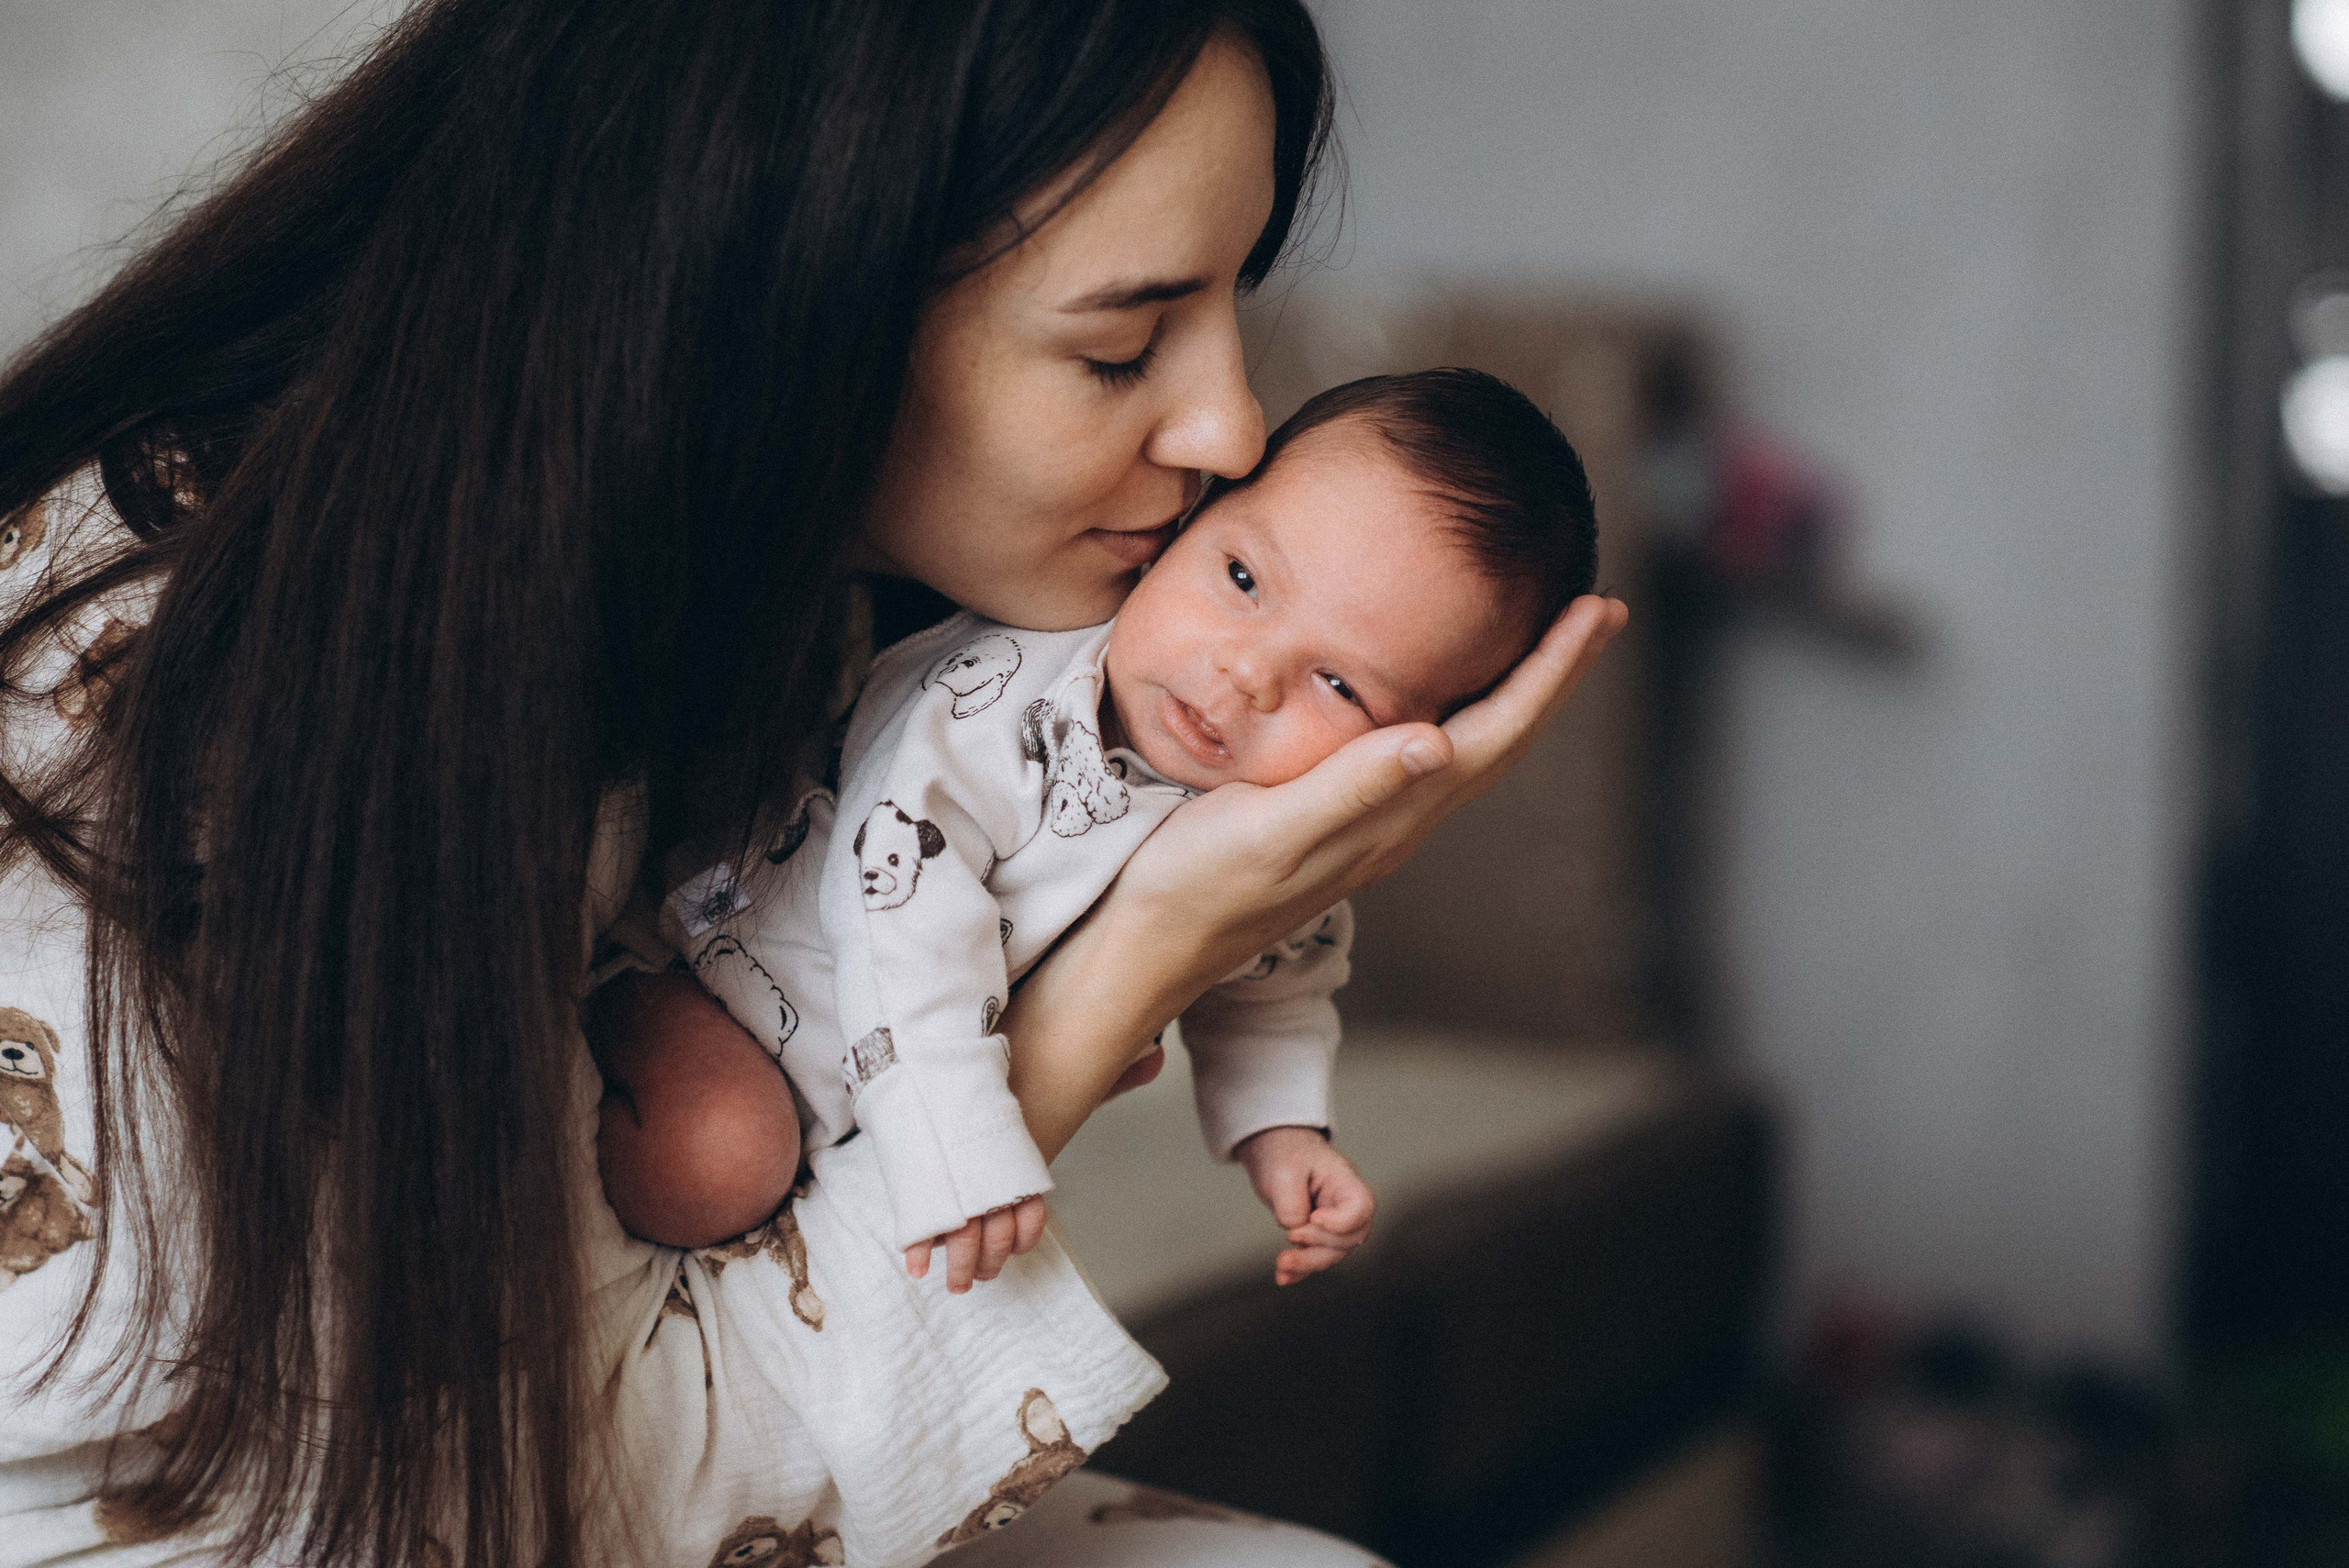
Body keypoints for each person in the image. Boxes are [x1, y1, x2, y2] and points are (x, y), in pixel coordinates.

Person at [0, 1, 1627, 1564]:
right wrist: (1135, 959)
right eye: (1124, 344)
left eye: (1230, 313)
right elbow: (526, 1505)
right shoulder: (214, 721)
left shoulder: (749, 597)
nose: (1232, 426)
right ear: (790, 289)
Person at [600, 369, 1599, 1320]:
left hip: (861, 1092)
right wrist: (960, 1133)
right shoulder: (1006, 699)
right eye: (1243, 576)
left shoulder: (1264, 814)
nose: (1244, 672)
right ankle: (600, 1028)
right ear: (1186, 523)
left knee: (822, 1219)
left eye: (1338, 685)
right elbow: (900, 898)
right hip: (719, 977)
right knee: (722, 1161)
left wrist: (1280, 1126)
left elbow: (1275, 966)